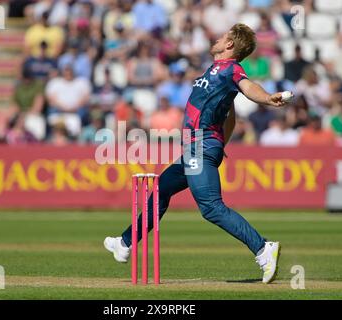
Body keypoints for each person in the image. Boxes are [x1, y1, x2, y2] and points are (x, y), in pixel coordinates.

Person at [104, 24, 290, 284]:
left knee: (211, 207)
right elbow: (230, 116)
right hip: (197, 147)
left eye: (223, 37)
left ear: (230, 46)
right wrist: (221, 143)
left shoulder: (232, 69)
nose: (217, 37)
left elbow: (248, 87)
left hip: (200, 146)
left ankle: (263, 248)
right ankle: (125, 243)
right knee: (160, 190)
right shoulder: (214, 71)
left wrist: (269, 98)